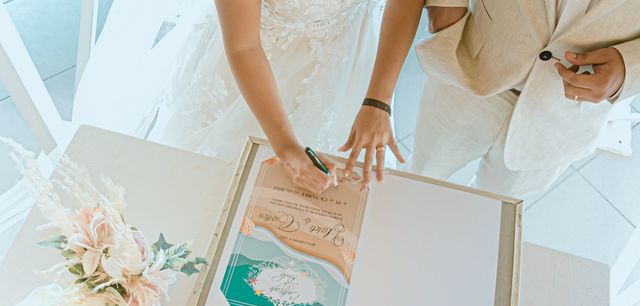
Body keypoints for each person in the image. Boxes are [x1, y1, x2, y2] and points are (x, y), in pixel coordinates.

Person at [73, 0, 387, 194]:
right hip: (252, 73)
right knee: (212, 191)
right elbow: (244, 46)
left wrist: (378, 98)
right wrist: (287, 146)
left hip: (346, 71)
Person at [341, 0, 640, 197]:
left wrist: (629, 67)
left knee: (496, 207)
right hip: (471, 68)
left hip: (566, 115)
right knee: (423, 177)